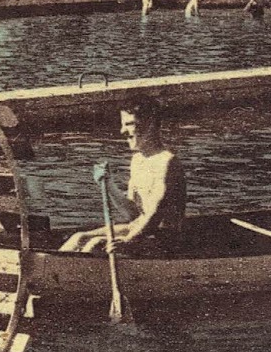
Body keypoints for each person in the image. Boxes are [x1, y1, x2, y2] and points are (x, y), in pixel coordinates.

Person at [59, 97, 187, 256]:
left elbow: (155, 216)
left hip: (165, 241)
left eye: (129, 124)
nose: (122, 131)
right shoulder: (137, 160)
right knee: (79, 238)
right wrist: (108, 185)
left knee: (96, 244)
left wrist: (128, 241)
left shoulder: (168, 162)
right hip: (138, 229)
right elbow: (132, 214)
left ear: (151, 124)